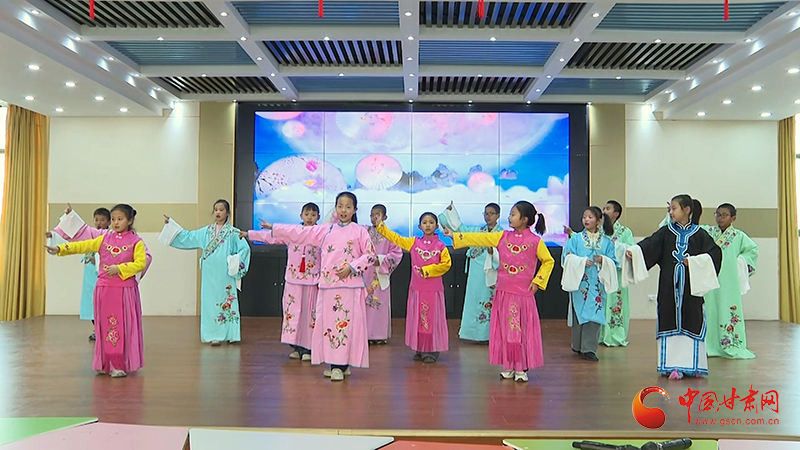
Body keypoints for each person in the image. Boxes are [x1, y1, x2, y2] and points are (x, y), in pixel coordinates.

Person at [260, 192, 376, 382]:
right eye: (340, 206)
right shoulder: (326, 230)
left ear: (355, 210)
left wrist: (352, 267)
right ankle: (337, 363)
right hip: (328, 286)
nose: (343, 210)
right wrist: (275, 227)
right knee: (329, 326)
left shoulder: (360, 231)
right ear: (335, 208)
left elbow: (370, 255)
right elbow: (300, 232)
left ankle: (340, 365)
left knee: (345, 325)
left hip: (350, 287)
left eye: (348, 207)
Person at [444, 201, 554, 382]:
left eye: (513, 214)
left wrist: (538, 281)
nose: (509, 217)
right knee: (506, 330)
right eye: (510, 214)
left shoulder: (535, 241)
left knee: (520, 330)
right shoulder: (502, 236)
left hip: (522, 294)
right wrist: (455, 236)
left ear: (525, 219)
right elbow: (479, 239)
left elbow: (548, 261)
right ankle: (509, 365)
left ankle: (521, 367)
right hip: (504, 292)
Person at [625, 194, 722, 379]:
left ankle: (694, 365)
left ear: (687, 210)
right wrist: (635, 252)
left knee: (693, 320)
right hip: (669, 289)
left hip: (691, 291)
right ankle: (672, 366)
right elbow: (649, 245)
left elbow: (715, 255)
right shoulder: (665, 232)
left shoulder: (699, 234)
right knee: (669, 319)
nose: (671, 212)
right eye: (669, 209)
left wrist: (693, 262)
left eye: (674, 208)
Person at [46, 204, 149, 378]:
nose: (115, 223)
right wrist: (60, 249)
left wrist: (120, 269)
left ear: (130, 220)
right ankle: (105, 362)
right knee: (104, 326)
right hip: (104, 289)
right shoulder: (104, 238)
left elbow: (140, 263)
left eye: (120, 219)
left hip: (123, 291)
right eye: (113, 219)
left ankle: (118, 364)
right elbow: (83, 246)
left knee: (119, 326)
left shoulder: (136, 242)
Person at [162, 200, 251, 346]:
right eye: (216, 209)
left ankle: (231, 334)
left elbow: (244, 249)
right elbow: (188, 236)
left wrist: (234, 262)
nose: (218, 212)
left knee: (227, 299)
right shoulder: (206, 231)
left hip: (225, 273)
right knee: (210, 302)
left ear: (227, 212)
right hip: (209, 273)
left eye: (221, 209)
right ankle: (213, 335)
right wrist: (171, 225)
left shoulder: (233, 232)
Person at [242, 203, 321, 360]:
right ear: (301, 216)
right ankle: (296, 346)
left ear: (318, 217)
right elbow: (271, 237)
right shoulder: (293, 233)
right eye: (307, 214)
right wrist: (249, 234)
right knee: (293, 311)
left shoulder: (320, 234)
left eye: (313, 215)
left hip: (312, 280)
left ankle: (308, 348)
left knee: (309, 314)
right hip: (293, 279)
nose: (310, 218)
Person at [376, 212, 452, 362]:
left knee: (431, 319)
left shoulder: (441, 246)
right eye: (425, 222)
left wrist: (428, 270)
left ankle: (431, 350)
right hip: (417, 288)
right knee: (418, 319)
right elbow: (396, 238)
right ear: (419, 226)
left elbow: (446, 264)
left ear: (437, 226)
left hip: (433, 289)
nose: (428, 225)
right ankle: (420, 347)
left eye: (431, 222)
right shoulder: (413, 243)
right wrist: (381, 226)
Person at [438, 201, 502, 343]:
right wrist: (451, 212)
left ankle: (491, 335)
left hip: (493, 272)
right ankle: (474, 334)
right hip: (476, 273)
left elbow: (505, 254)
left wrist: (494, 252)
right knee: (473, 300)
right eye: (486, 213)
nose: (488, 216)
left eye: (491, 214)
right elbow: (461, 230)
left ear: (498, 215)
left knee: (490, 301)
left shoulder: (502, 234)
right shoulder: (477, 231)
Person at [561, 206, 617, 361]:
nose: (586, 220)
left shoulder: (607, 242)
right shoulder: (575, 239)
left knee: (594, 313)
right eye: (584, 217)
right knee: (579, 312)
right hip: (580, 283)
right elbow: (566, 257)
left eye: (590, 217)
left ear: (599, 221)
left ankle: (589, 349)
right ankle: (578, 345)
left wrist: (604, 260)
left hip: (598, 284)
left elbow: (614, 262)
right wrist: (580, 261)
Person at [48, 207, 111, 341]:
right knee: (91, 303)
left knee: (104, 303)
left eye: (102, 220)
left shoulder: (109, 236)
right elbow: (75, 237)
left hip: (103, 276)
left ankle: (106, 330)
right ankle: (96, 329)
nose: (99, 222)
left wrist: (99, 259)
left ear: (109, 222)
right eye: (97, 219)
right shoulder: (91, 234)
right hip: (89, 276)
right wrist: (54, 235)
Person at [364, 204, 403, 345]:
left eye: (378, 215)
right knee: (364, 303)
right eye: (372, 215)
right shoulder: (364, 232)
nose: (374, 218)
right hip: (364, 274)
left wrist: (380, 260)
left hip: (379, 273)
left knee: (379, 303)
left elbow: (397, 254)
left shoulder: (390, 235)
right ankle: (364, 334)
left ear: (385, 217)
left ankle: (379, 335)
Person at [598, 200, 635, 347]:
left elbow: (631, 249)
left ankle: (615, 335)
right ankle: (600, 334)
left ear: (616, 213)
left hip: (617, 274)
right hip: (601, 273)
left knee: (615, 303)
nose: (604, 211)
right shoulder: (599, 230)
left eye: (607, 209)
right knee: (601, 303)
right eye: (603, 208)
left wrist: (616, 246)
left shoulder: (625, 232)